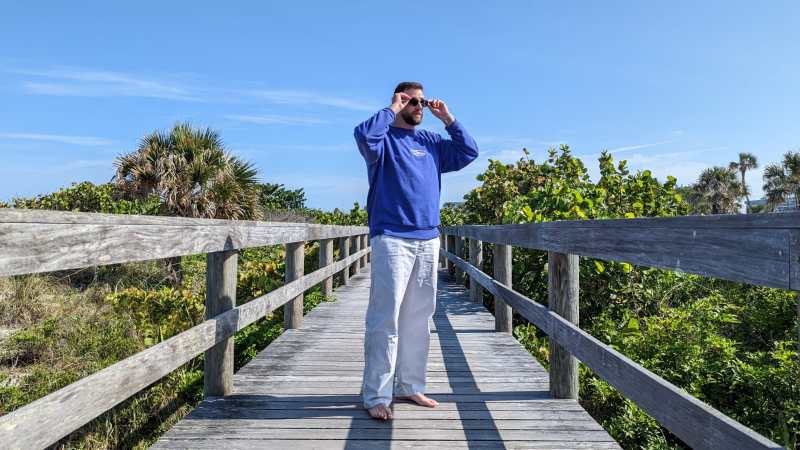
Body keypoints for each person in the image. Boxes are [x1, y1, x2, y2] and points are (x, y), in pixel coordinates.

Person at [353, 81, 479, 420]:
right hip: (392, 237)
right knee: (385, 319)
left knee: (419, 319)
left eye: (421, 101)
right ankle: (376, 395)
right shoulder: (382, 142)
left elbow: (469, 152)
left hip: (428, 239)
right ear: (399, 101)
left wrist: (448, 119)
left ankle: (409, 386)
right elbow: (363, 136)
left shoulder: (432, 142)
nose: (418, 106)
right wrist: (392, 108)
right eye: (412, 101)